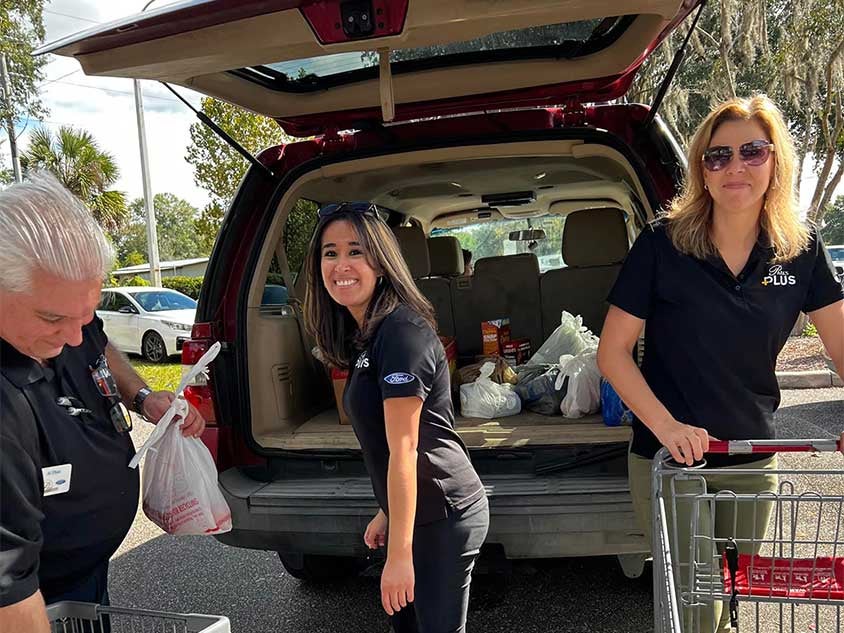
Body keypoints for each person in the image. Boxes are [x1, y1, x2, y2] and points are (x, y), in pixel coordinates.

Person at [597, 95, 844, 633]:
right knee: (696, 610)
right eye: (718, 156)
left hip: (754, 457)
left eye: (753, 151)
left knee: (732, 593)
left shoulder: (800, 252)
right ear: (701, 172)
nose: (736, 166)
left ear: (776, 161)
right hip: (670, 459)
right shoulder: (662, 245)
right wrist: (667, 428)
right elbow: (611, 353)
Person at [0, 173, 206, 633]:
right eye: (53, 319)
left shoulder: (62, 311)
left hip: (84, 576)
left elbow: (96, 345)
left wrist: (144, 397)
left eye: (86, 316)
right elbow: (7, 589)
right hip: (36, 598)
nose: (73, 336)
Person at [303, 202, 488, 633]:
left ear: (382, 264)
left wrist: (400, 555)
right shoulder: (369, 334)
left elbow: (405, 450)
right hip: (414, 512)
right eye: (330, 253)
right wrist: (386, 512)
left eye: (356, 251)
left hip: (443, 515)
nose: (341, 264)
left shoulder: (402, 334)